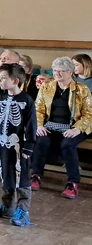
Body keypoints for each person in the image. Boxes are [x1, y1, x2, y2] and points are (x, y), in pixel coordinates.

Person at [30, 56, 92, 199]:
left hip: (74, 126)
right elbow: (38, 108)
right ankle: (36, 175)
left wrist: (77, 129)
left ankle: (73, 182)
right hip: (50, 125)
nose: (57, 74)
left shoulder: (82, 89)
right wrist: (39, 125)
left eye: (61, 71)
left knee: (67, 144)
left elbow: (89, 114)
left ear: (70, 72)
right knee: (41, 139)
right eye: (55, 71)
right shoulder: (47, 86)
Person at [0, 64, 37, 227]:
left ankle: (23, 212)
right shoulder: (2, 97)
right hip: (3, 142)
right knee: (6, 174)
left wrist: (28, 147)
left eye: (3, 78)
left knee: (21, 177)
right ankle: (8, 206)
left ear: (15, 80)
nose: (0, 81)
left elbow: (31, 125)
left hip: (19, 146)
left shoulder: (26, 100)